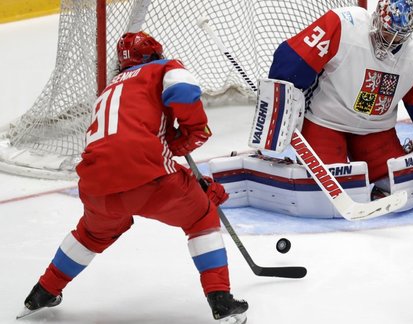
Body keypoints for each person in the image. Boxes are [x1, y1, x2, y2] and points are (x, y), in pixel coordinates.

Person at [18, 31, 248, 323]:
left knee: (90, 235)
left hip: (96, 187)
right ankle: (221, 300)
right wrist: (193, 129)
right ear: (155, 53)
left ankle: (42, 291)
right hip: (150, 180)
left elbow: (124, 151)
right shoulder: (163, 68)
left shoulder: (108, 89)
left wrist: (186, 172)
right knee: (201, 216)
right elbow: (184, 90)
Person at [265, 0, 413, 208]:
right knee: (328, 188)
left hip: (376, 129)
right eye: (388, 32)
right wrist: (282, 96)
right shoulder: (344, 23)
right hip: (326, 121)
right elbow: (295, 57)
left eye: (399, 36)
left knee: (397, 184)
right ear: (376, 19)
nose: (391, 41)